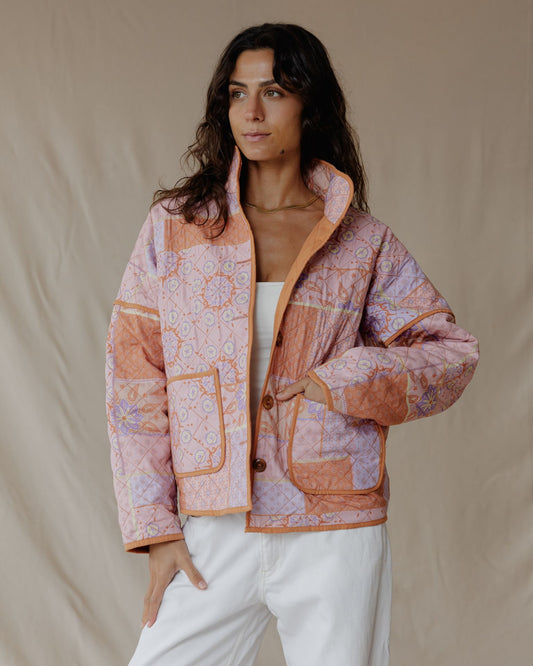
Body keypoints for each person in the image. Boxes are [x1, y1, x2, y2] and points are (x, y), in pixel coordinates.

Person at [105, 23, 479, 666]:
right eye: (237, 93)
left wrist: (344, 379)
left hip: (334, 527)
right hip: (215, 520)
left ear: (310, 104)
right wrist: (155, 527)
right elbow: (133, 376)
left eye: (273, 92)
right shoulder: (177, 229)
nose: (251, 112)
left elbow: (451, 354)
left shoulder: (361, 240)